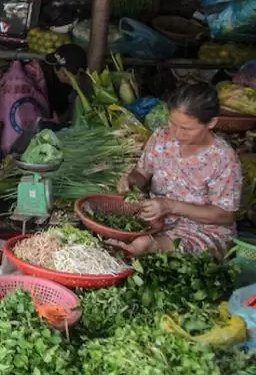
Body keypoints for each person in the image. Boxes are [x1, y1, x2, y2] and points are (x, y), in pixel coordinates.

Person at [114, 83, 242, 258]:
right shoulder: (161, 137)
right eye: (172, 123)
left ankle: (150, 246)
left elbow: (225, 215)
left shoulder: (223, 158)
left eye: (187, 129)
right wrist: (131, 180)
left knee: (144, 245)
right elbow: (142, 173)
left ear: (211, 122)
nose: (176, 134)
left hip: (203, 232)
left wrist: (171, 206)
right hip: (155, 222)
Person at [43, 44, 92, 124]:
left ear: (64, 73)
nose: (54, 70)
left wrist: (58, 121)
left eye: (55, 67)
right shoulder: (86, 84)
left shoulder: (79, 99)